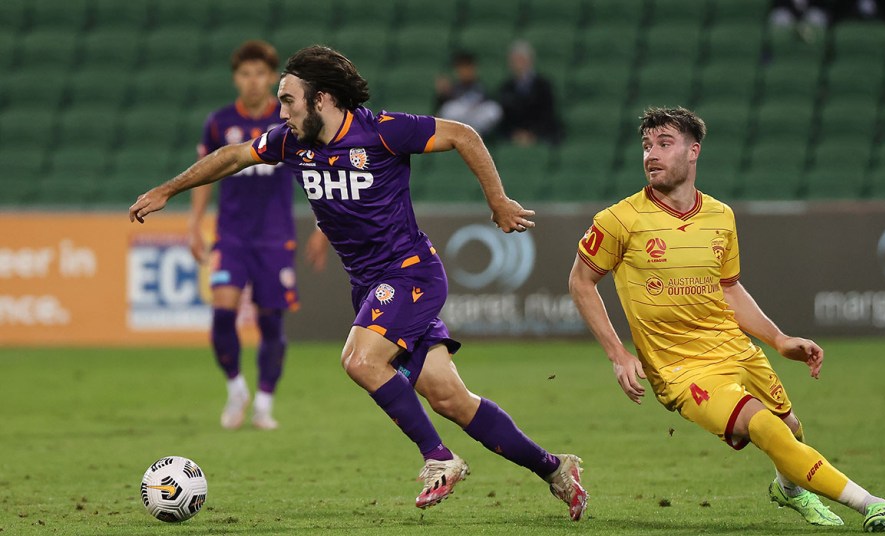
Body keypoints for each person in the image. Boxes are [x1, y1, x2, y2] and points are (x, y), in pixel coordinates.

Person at [130, 44, 587, 519]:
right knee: (451, 399)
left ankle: (439, 459)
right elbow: (233, 157)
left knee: (359, 360)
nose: (279, 111)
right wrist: (168, 189)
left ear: (322, 99)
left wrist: (498, 201)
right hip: (370, 287)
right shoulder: (291, 142)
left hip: (410, 274)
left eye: (288, 100)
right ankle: (555, 470)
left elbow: (464, 135)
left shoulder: (383, 131)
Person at [567, 107, 885, 532]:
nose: (651, 154)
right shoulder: (619, 220)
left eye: (664, 144)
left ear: (694, 151)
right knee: (764, 426)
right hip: (680, 369)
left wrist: (780, 339)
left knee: (791, 429)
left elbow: (728, 288)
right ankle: (873, 505)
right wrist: (618, 354)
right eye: (646, 146)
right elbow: (581, 282)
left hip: (735, 348)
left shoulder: (720, 216)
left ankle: (788, 490)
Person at [188, 40, 329, 431]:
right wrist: (194, 224)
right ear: (236, 78)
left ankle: (264, 402)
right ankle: (236, 389)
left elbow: (317, 173)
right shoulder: (218, 122)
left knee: (270, 324)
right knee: (222, 315)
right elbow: (204, 175)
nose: (252, 81)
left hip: (274, 238)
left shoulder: (289, 121)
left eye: (260, 74)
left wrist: (322, 227)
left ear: (272, 78)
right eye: (245, 74)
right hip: (231, 237)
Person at [496, 40, 562, 146]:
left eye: (521, 59)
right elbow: (504, 117)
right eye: (514, 60)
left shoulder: (543, 85)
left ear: (530, 60)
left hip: (540, 135)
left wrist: (532, 134)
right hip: (514, 137)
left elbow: (547, 114)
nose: (517, 64)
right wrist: (515, 134)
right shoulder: (506, 87)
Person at [434, 50, 502, 136]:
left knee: (494, 109)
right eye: (462, 68)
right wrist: (443, 95)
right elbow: (440, 111)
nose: (465, 71)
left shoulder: (480, 86)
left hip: (476, 118)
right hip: (460, 119)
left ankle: (474, 134)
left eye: (468, 67)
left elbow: (489, 105)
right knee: (448, 109)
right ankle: (464, 134)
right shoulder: (453, 88)